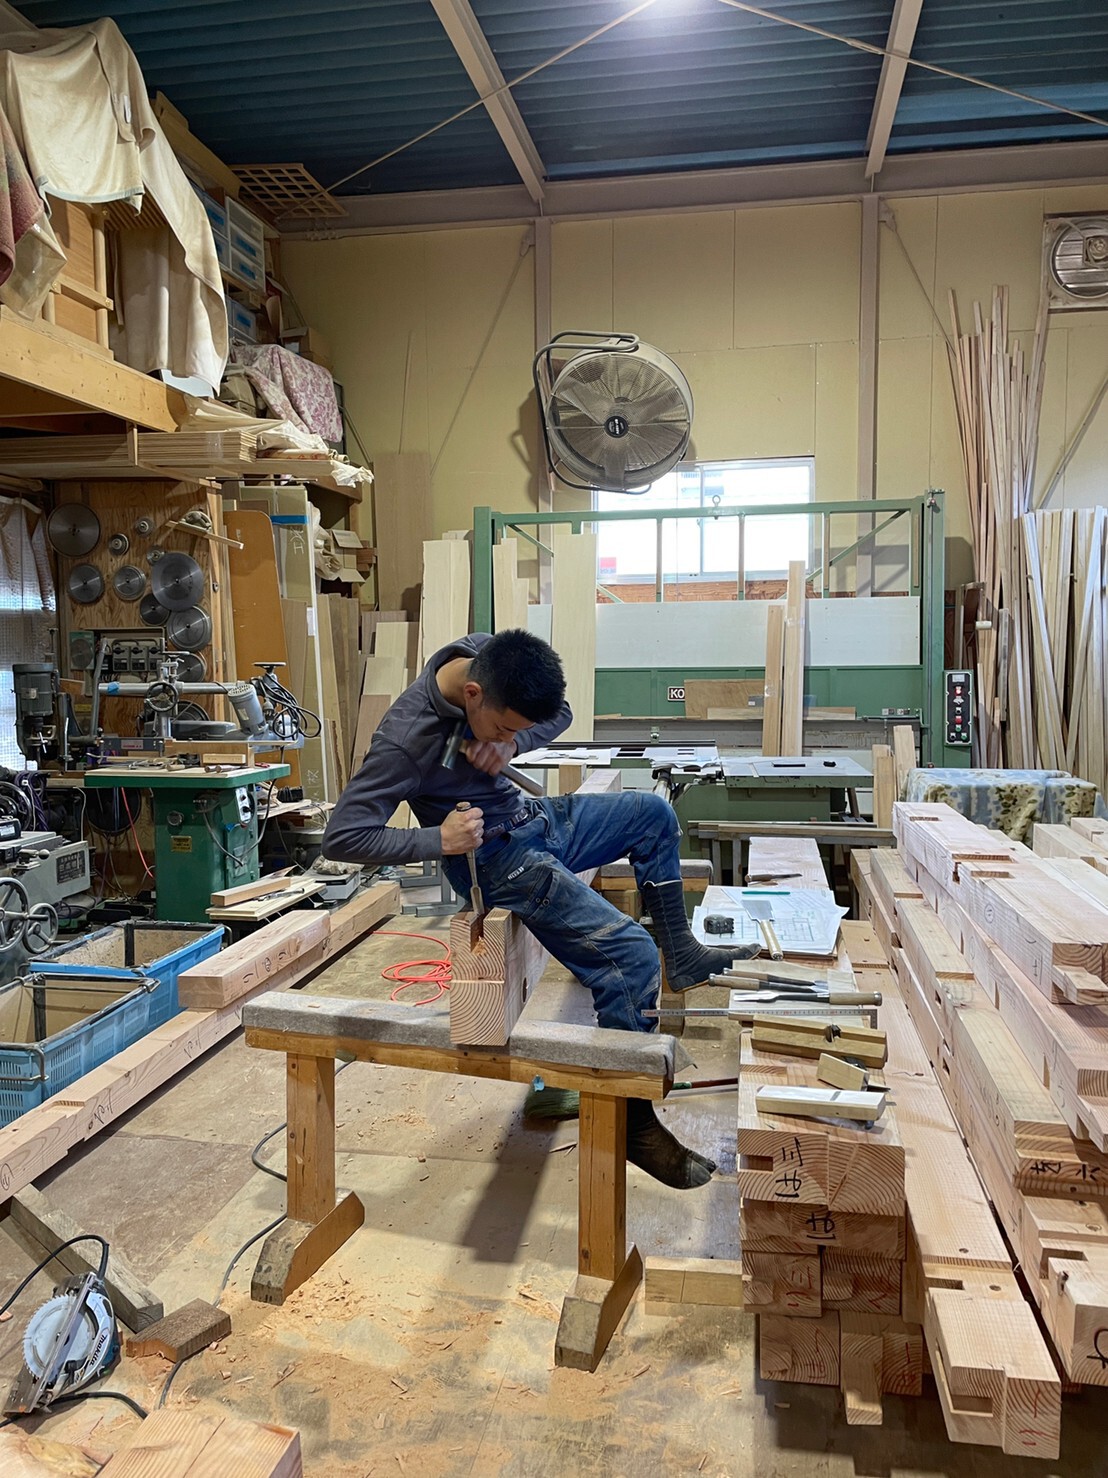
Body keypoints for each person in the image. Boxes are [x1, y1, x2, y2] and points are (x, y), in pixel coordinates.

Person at [323, 629, 757, 1189]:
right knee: (629, 956)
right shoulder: (406, 739)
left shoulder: (486, 653)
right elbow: (344, 836)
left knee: (653, 815)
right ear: (473, 694)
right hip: (496, 860)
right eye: (504, 728)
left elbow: (561, 712)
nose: (509, 737)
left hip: (534, 821)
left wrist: (512, 744)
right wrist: (439, 839)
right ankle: (631, 1122)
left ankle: (685, 953)